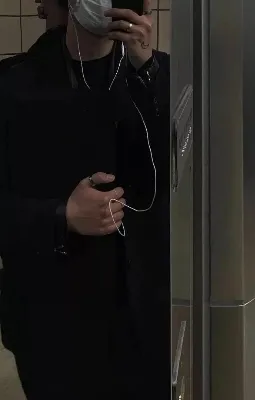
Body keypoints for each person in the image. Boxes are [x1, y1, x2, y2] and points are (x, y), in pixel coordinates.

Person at [0, 0, 170, 399]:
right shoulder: (11, 85)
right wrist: (62, 215)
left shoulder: (161, 75)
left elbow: (191, 180)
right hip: (50, 323)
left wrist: (147, 73)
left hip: (146, 321)